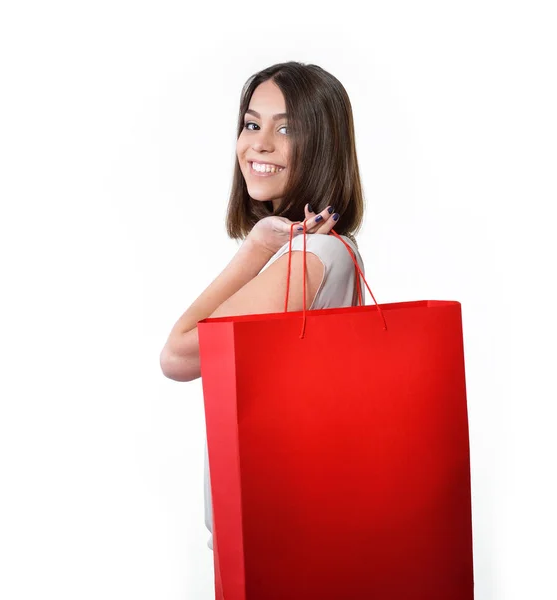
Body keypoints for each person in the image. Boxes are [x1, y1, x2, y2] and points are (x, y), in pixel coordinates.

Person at [159, 61, 367, 550]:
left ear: (323, 146)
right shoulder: (335, 249)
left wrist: (253, 251)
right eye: (252, 124)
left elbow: (179, 356)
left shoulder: (311, 255)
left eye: (287, 128)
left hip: (277, 539)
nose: (260, 143)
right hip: (295, 528)